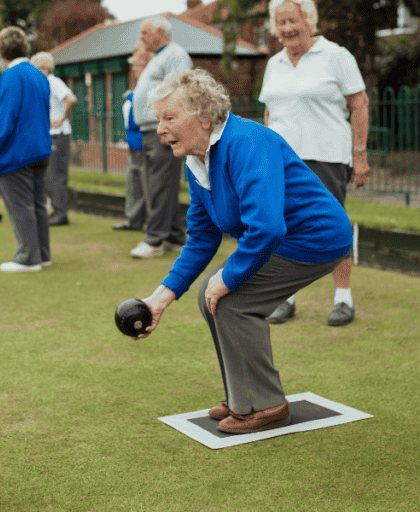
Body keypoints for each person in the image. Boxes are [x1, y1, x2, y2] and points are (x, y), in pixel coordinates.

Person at [132, 69, 354, 434]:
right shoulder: (198, 159)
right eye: (159, 120)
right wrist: (159, 299)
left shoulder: (247, 142)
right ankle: (242, 394)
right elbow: (202, 238)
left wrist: (230, 278)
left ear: (203, 116)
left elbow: (267, 227)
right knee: (210, 293)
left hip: (317, 238)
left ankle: (265, 405)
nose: (160, 129)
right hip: (283, 238)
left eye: (169, 118)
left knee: (232, 300)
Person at [258, 0, 370, 327]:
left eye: (293, 20)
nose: (287, 28)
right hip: (283, 161)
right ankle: (287, 297)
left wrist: (359, 154)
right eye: (281, 23)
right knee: (283, 226)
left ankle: (343, 298)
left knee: (332, 225)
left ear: (308, 19)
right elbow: (270, 113)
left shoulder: (336, 56)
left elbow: (359, 104)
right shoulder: (275, 63)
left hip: (327, 157)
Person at [0, 27, 53, 272]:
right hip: (41, 149)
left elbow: (6, 118)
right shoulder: (39, 75)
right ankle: (43, 254)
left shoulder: (10, 77)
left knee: (21, 205)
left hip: (17, 152)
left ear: (1, 52)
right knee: (37, 205)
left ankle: (28, 258)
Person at [129, 16, 193, 259]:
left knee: (159, 184)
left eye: (145, 32)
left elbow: (181, 91)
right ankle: (175, 236)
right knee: (157, 184)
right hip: (148, 128)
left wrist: (171, 128)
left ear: (161, 32)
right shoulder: (161, 56)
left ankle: (154, 239)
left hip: (161, 130)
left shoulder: (175, 54)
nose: (142, 37)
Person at [30, 52, 77, 226]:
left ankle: (60, 213)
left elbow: (71, 99)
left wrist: (62, 118)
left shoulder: (53, 82)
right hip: (51, 136)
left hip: (58, 135)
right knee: (49, 175)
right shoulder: (43, 84)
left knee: (55, 175)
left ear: (45, 68)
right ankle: (57, 210)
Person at [114, 48, 151, 232]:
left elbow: (147, 104)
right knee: (133, 182)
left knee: (147, 183)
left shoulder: (149, 83)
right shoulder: (139, 85)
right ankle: (133, 220)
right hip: (134, 141)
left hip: (145, 141)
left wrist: (130, 95)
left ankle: (151, 223)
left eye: (136, 65)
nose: (133, 69)